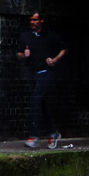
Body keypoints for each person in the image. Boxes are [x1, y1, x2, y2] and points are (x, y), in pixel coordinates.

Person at [16, 11, 68, 149]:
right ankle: (53, 133)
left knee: (35, 100)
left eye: (35, 20)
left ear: (41, 21)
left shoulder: (49, 35)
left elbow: (64, 48)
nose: (32, 22)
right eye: (31, 20)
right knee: (41, 103)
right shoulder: (26, 36)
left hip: (45, 72)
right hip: (32, 73)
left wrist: (55, 60)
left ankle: (33, 136)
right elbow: (19, 54)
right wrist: (24, 55)